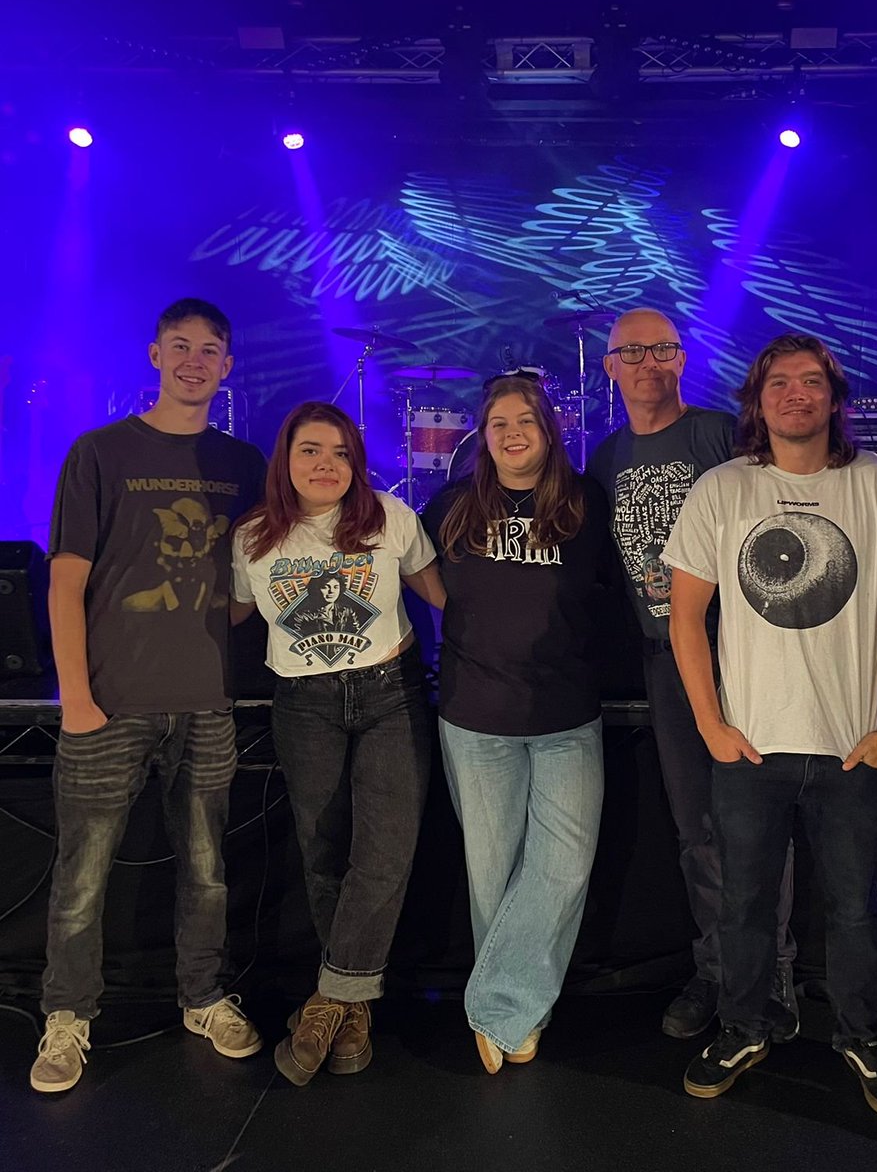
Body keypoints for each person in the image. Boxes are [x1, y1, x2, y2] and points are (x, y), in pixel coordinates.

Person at [663, 333, 877, 1108]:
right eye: (779, 382)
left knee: (854, 908)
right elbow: (686, 618)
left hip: (851, 748)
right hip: (749, 747)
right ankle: (743, 1025)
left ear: (835, 398)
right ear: (757, 399)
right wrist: (711, 725)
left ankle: (860, 1036)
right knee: (742, 906)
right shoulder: (721, 489)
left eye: (812, 381)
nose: (796, 394)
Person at [32, 299, 266, 1093]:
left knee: (206, 870)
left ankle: (203, 998)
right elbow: (66, 585)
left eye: (211, 350)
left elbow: (243, 592)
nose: (195, 361)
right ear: (155, 356)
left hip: (208, 704)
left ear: (228, 366)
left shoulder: (244, 464)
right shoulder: (99, 453)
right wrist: (75, 698)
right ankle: (67, 1019)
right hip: (110, 704)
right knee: (82, 875)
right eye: (181, 347)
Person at [587, 307, 797, 1043]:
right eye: (632, 352)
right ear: (609, 366)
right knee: (698, 832)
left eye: (663, 349)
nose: (649, 362)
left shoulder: (719, 436)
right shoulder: (604, 460)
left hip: (742, 657)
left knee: (758, 824)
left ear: (682, 358)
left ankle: (770, 976)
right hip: (666, 667)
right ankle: (717, 973)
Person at [232, 401, 445, 1086]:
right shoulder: (254, 538)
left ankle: (328, 999)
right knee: (323, 853)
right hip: (303, 704)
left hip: (391, 693)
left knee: (384, 851)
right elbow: (225, 612)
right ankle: (355, 1012)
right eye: (310, 451)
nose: (326, 465)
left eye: (340, 452)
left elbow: (444, 598)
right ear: (285, 461)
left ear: (357, 460)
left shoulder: (391, 517)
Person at [424, 374, 617, 1073]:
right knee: (493, 873)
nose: (511, 433)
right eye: (499, 422)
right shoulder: (448, 506)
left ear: (549, 430)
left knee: (563, 866)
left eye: (525, 421)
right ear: (484, 434)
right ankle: (516, 1012)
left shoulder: (587, 503)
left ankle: (500, 1005)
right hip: (476, 717)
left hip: (566, 712)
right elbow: (418, 581)